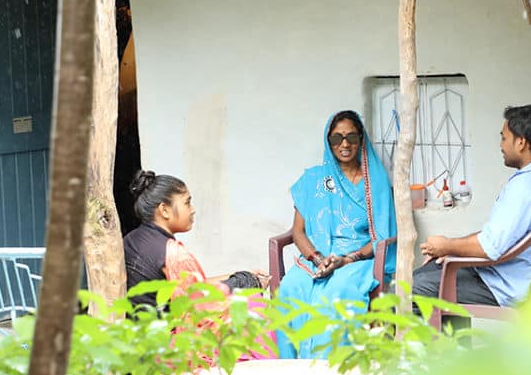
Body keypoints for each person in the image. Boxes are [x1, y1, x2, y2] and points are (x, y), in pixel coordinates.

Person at [416, 104, 531, 315]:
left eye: (504, 138)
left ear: (521, 143)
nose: (501, 145)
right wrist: (449, 249)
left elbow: (492, 248)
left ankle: (436, 348)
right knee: (432, 269)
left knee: (409, 290)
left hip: (501, 286)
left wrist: (447, 246)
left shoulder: (526, 187)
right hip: (513, 277)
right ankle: (455, 346)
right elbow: (499, 236)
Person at [276, 111, 397, 359]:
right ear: (328, 141)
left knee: (338, 291)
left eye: (351, 137)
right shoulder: (314, 180)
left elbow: (382, 236)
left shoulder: (375, 182)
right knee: (291, 286)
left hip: (358, 259)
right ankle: (291, 368)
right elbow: (298, 232)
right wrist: (318, 259)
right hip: (317, 257)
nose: (344, 144)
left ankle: (332, 369)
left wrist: (345, 260)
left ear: (361, 139)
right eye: (337, 138)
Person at [123, 170, 274, 359]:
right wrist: (245, 283)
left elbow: (190, 287)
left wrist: (235, 276)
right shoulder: (174, 254)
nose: (192, 209)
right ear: (164, 210)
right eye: (187, 202)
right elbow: (201, 306)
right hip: (167, 349)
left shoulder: (133, 240)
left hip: (141, 340)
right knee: (252, 308)